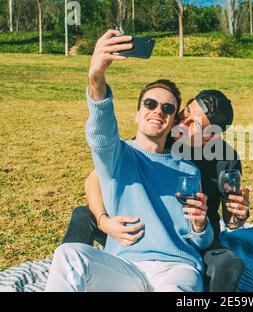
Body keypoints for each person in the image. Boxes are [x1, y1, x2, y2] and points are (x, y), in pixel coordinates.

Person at [45, 30, 214, 292]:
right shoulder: (117, 156)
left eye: (168, 108)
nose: (158, 110)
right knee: (69, 256)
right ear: (137, 114)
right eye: (150, 103)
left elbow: (200, 241)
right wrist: (96, 78)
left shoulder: (188, 169)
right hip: (124, 268)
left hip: (177, 268)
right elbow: (101, 132)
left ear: (172, 122)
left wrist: (201, 226)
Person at [62, 89, 251, 292]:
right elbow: (95, 178)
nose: (182, 123)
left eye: (194, 125)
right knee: (83, 214)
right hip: (137, 230)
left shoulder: (225, 157)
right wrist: (103, 220)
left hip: (195, 237)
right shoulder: (162, 135)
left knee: (229, 264)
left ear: (210, 135)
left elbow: (231, 220)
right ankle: (70, 276)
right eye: (186, 112)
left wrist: (239, 215)